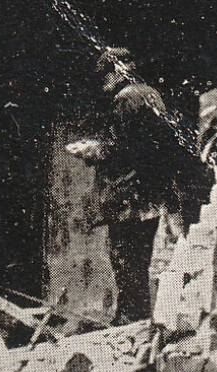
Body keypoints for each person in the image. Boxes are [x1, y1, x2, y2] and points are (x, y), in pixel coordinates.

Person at [67, 48, 206, 324]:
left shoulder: (125, 98)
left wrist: (91, 149)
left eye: (104, 74)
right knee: (138, 265)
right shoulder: (151, 95)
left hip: (128, 199)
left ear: (117, 70)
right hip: (149, 197)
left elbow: (122, 148)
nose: (102, 82)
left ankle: (129, 323)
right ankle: (135, 320)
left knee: (126, 265)